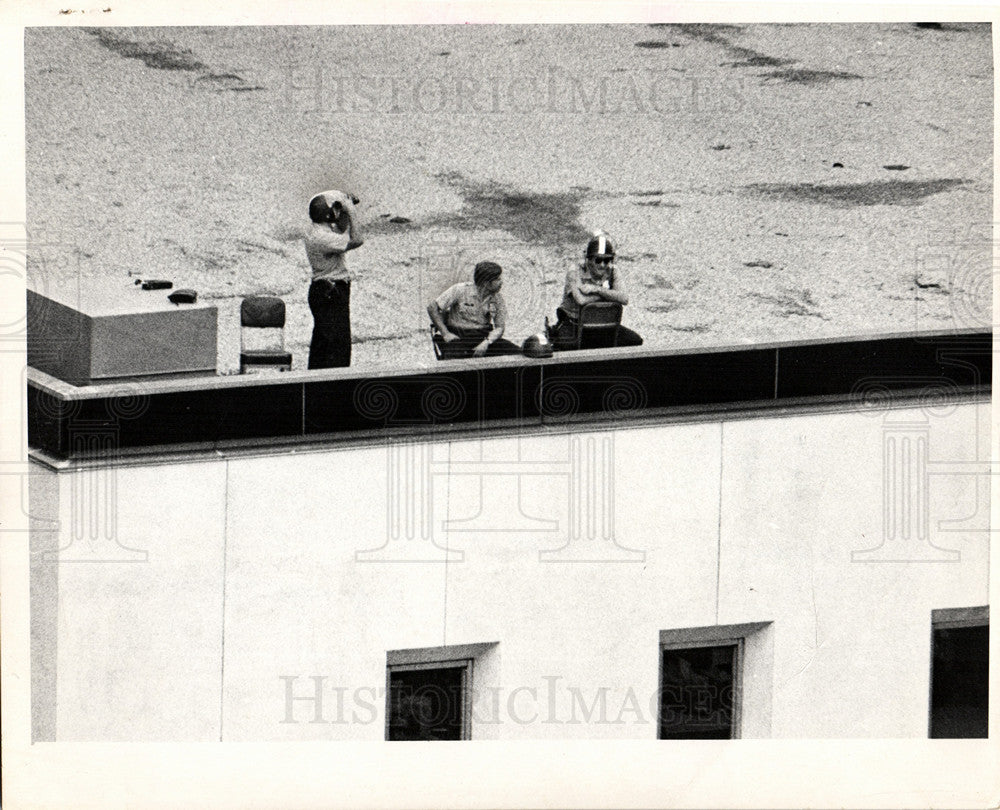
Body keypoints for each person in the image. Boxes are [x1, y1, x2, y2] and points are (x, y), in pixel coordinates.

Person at [549, 231, 643, 350]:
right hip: (574, 323)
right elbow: (581, 300)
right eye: (598, 260)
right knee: (565, 346)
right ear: (589, 260)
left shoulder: (613, 271)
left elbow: (624, 298)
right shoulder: (575, 271)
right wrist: (608, 295)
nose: (603, 265)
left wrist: (597, 289)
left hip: (603, 324)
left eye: (607, 260)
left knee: (634, 340)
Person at [304, 189, 364, 369]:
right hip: (331, 292)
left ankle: (319, 388)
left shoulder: (316, 229)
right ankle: (332, 390)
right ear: (329, 214)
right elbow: (357, 239)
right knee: (337, 348)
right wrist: (351, 211)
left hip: (325, 290)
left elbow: (341, 229)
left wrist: (342, 211)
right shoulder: (322, 238)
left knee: (325, 346)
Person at [427, 261, 520, 359]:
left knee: (517, 353)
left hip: (483, 336)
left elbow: (500, 327)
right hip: (458, 336)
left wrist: (486, 343)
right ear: (486, 282)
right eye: (497, 279)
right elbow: (432, 307)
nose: (501, 282)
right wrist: (445, 333)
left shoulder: (497, 299)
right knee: (454, 361)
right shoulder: (460, 290)